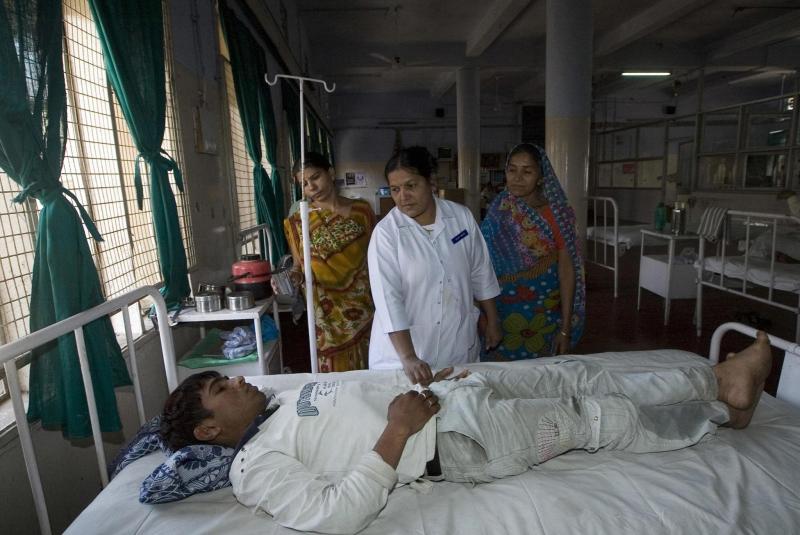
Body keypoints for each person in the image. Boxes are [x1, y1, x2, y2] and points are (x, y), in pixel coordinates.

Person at [160, 333, 774, 535]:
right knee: (593, 416)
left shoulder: (279, 403)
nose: (238, 379)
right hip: (458, 441)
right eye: (221, 387)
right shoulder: (255, 467)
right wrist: (398, 430)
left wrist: (435, 384)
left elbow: (362, 400)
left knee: (577, 373)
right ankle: (723, 407)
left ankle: (715, 378)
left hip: (457, 395)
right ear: (209, 429)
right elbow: (334, 513)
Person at [367, 146, 502, 385]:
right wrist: (408, 356)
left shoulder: (461, 218)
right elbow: (388, 298)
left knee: (461, 402)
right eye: (395, 189)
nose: (403, 196)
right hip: (404, 355)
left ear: (431, 182)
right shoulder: (387, 233)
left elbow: (480, 271)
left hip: (456, 344)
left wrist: (493, 320)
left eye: (411, 186)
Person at [480, 143, 585, 360]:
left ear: (540, 177)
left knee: (541, 372)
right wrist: (486, 317)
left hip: (543, 311)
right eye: (512, 170)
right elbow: (479, 264)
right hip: (500, 311)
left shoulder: (558, 215)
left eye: (527, 171)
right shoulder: (498, 210)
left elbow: (567, 271)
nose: (517, 178)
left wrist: (565, 328)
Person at [282, 152, 375, 372]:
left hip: (364, 303)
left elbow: (377, 254)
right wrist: (292, 278)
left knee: (372, 362)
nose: (311, 187)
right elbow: (298, 266)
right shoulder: (298, 222)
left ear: (331, 173)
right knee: (335, 373)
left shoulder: (362, 211)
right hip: (326, 311)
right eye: (304, 184)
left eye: (315, 177)